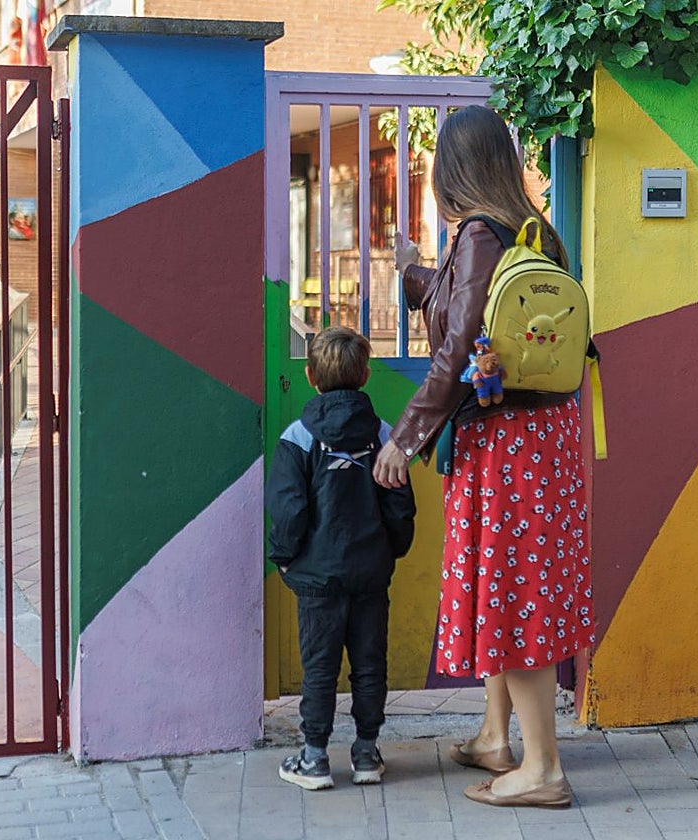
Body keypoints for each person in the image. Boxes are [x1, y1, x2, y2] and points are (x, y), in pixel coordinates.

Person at [373, 105, 594, 809]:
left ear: (452, 168)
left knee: (516, 592)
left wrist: (404, 438)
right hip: (550, 433)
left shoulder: (476, 234)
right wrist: (414, 275)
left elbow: (456, 341)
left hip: (506, 445)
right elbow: (468, 307)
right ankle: (497, 737)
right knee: (512, 584)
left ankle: (543, 769)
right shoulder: (536, 232)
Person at [266, 326, 417, 791]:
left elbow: (289, 509)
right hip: (370, 573)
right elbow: (400, 506)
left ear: (310, 376)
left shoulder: (298, 438)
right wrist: (391, 551)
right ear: (366, 375)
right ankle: (367, 754)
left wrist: (285, 559)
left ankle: (314, 759)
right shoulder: (384, 436)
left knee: (320, 666)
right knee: (369, 662)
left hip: (317, 578)